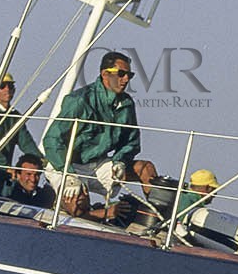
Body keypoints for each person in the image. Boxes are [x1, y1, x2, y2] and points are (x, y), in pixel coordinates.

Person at [40, 50, 157, 205]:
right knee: (77, 202)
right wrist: (68, 173)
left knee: (146, 169)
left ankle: (162, 220)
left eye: (130, 75)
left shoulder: (126, 104)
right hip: (66, 165)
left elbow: (131, 142)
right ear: (105, 74)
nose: (126, 79)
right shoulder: (79, 100)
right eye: (121, 73)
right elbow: (52, 139)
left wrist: (120, 161)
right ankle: (84, 213)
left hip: (98, 165)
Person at [0, 73, 40, 198]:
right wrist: (6, 168)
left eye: (10, 86)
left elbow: (26, 142)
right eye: (2, 86)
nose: (7, 89)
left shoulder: (15, 116)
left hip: (5, 174)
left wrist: (42, 162)